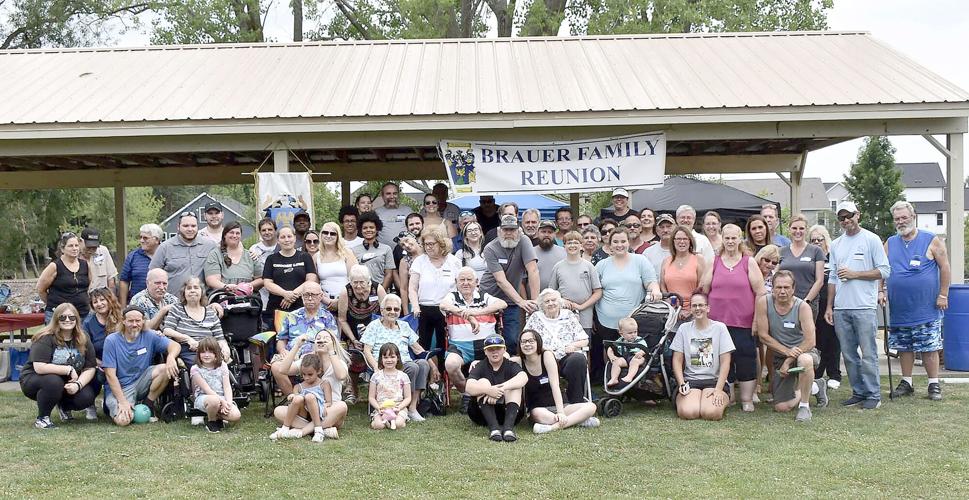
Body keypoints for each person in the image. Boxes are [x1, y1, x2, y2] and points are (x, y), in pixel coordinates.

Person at [824, 201, 890, 410]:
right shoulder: (835, 244)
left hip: (864, 307)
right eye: (841, 218)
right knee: (849, 354)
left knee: (869, 353)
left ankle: (873, 394)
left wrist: (856, 274)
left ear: (858, 215)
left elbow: (884, 271)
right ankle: (858, 392)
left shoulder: (871, 240)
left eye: (849, 216)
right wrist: (829, 307)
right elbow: (832, 277)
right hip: (841, 308)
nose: (846, 221)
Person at [885, 200, 950, 401]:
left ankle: (933, 384)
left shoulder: (931, 239)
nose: (901, 221)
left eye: (904, 217)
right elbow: (882, 269)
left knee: (929, 347)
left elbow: (945, 267)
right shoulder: (890, 242)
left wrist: (943, 294)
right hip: (900, 308)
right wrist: (880, 290)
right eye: (897, 218)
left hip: (927, 306)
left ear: (913, 217)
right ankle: (907, 382)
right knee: (904, 346)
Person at [703, 223, 765, 412]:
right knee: (719, 359)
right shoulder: (713, 261)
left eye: (734, 238)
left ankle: (746, 398)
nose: (730, 241)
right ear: (722, 238)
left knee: (745, 357)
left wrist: (756, 319)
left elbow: (760, 292)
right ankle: (726, 395)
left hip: (743, 322)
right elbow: (705, 288)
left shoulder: (749, 261)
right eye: (727, 238)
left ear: (740, 239)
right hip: (716, 322)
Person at [755, 270, 827, 422]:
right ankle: (814, 386)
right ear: (772, 288)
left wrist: (788, 360)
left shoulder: (802, 307)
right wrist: (787, 353)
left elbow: (810, 341)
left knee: (805, 360)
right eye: (778, 287)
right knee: (781, 407)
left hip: (805, 351)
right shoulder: (764, 303)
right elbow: (763, 336)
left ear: (793, 289)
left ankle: (804, 407)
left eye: (786, 287)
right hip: (780, 355)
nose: (782, 291)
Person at [593, 227, 661, 379]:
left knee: (634, 353)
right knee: (611, 351)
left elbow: (651, 281)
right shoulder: (602, 265)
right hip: (606, 319)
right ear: (609, 244)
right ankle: (611, 380)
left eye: (623, 241)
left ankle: (635, 383)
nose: (619, 245)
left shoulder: (640, 260)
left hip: (633, 319)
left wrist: (655, 290)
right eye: (615, 242)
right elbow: (594, 290)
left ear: (628, 242)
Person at [19, 303, 98, 429]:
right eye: (62, 317)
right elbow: (39, 366)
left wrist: (78, 385)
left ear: (77, 319)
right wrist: (68, 369)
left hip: (67, 380)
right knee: (54, 382)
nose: (67, 320)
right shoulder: (45, 337)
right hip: (36, 378)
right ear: (56, 319)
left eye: (71, 317)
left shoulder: (83, 337)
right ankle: (43, 418)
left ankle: (64, 406)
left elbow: (90, 367)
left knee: (86, 397)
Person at [440, 267, 507, 413]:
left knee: (506, 358)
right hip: (460, 346)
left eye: (469, 280)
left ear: (476, 282)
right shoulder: (452, 297)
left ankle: (498, 395)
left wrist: (476, 312)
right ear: (456, 282)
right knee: (450, 364)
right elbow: (443, 305)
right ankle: (468, 394)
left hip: (487, 345)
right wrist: (468, 316)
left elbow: (502, 304)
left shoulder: (483, 296)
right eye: (462, 280)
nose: (465, 283)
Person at [102, 305, 180, 426]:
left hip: (141, 382)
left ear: (143, 321)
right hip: (121, 388)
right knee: (123, 421)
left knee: (165, 368)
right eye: (130, 321)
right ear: (123, 321)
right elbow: (110, 375)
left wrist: (171, 357)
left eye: (138, 321)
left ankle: (148, 404)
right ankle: (125, 407)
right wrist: (122, 401)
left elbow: (175, 346)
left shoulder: (149, 335)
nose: (134, 324)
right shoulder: (111, 340)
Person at [360, 294, 432, 422]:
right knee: (414, 366)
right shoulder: (374, 326)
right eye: (388, 309)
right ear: (381, 311)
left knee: (423, 364)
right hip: (385, 365)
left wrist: (433, 365)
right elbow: (367, 350)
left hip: (404, 363)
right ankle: (406, 407)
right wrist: (376, 368)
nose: (392, 312)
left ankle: (412, 407)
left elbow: (417, 348)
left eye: (396, 309)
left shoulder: (404, 325)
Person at [479, 214, 540, 355]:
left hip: (511, 300)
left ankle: (511, 368)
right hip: (489, 297)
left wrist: (535, 301)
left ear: (518, 231)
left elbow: (533, 270)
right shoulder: (490, 248)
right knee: (490, 339)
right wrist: (521, 301)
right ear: (499, 230)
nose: (508, 233)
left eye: (512, 230)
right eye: (505, 229)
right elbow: (500, 280)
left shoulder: (524, 241)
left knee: (512, 339)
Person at [270, 330, 349, 437]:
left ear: (333, 343)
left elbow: (341, 376)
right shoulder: (308, 360)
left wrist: (331, 350)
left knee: (342, 406)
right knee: (278, 411)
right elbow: (283, 370)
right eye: (319, 338)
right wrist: (297, 346)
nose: (322, 340)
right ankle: (322, 430)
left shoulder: (338, 362)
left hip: (329, 410)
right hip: (305, 412)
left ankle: (302, 432)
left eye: (326, 338)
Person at [519, 329, 599, 434]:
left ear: (538, 342)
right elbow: (504, 359)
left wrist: (561, 412)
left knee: (591, 406)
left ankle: (552, 427)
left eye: (531, 341)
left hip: (562, 406)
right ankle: (577, 421)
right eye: (523, 342)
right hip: (539, 409)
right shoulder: (519, 362)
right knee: (538, 414)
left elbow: (555, 385)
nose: (527, 344)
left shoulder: (546, 355)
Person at [670, 292, 734, 421]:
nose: (698, 308)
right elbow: (677, 360)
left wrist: (718, 389)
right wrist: (681, 383)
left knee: (711, 413)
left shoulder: (720, 328)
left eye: (701, 305)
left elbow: (726, 362)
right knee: (688, 412)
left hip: (714, 381)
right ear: (691, 309)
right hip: (691, 381)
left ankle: (710, 399)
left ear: (708, 308)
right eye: (694, 306)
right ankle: (695, 399)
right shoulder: (684, 329)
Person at [270, 282, 338, 396]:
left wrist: (317, 352)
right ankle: (294, 399)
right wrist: (282, 351)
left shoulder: (327, 317)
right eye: (306, 295)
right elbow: (281, 339)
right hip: (293, 355)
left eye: (314, 295)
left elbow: (333, 341)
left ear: (321, 296)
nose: (310, 298)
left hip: (317, 357)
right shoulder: (292, 316)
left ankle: (316, 398)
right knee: (276, 367)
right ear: (302, 297)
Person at [522, 289, 589, 404]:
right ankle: (542, 404)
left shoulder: (568, 315)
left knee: (578, 360)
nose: (551, 303)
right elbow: (525, 339)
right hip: (543, 360)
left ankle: (576, 402)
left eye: (554, 300)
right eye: (547, 301)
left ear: (559, 302)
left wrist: (573, 345)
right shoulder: (536, 317)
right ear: (542, 305)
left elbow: (585, 340)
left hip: (565, 358)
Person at [410, 226, 461, 360]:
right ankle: (426, 376)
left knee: (444, 344)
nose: (428, 247)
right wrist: (415, 306)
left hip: (446, 309)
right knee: (423, 345)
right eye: (425, 244)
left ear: (441, 243)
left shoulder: (453, 261)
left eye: (432, 244)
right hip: (423, 309)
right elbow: (412, 288)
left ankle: (444, 375)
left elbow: (460, 286)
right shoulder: (419, 261)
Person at [465, 333, 528, 442]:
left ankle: (508, 429)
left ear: (504, 350)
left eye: (498, 348)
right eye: (490, 349)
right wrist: (488, 390)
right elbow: (468, 387)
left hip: (508, 413)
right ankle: (494, 429)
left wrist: (500, 389)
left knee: (514, 387)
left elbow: (523, 377)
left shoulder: (511, 365)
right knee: (483, 382)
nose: (495, 352)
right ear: (485, 351)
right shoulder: (480, 366)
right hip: (481, 415)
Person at [337, 264, 385, 403]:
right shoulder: (345, 292)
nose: (358, 286)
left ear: (368, 281)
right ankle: (353, 391)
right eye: (354, 282)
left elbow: (386, 314)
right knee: (352, 357)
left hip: (376, 331)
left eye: (361, 282)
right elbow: (342, 319)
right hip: (352, 332)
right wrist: (353, 339)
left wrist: (370, 333)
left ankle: (380, 391)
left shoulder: (378, 289)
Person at [162, 277, 228, 367]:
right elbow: (167, 330)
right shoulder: (177, 309)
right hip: (188, 350)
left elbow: (220, 338)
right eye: (189, 288)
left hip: (210, 350)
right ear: (184, 292)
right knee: (203, 366)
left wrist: (225, 347)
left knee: (224, 366)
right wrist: (187, 338)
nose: (192, 291)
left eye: (196, 287)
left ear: (202, 292)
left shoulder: (210, 312)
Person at [269, 353, 334, 442]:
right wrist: (292, 397)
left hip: (318, 414)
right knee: (295, 400)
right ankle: (285, 428)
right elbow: (295, 402)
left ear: (319, 371)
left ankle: (318, 430)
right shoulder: (298, 387)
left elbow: (329, 402)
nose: (306, 377)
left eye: (310, 374)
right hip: (303, 415)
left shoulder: (324, 384)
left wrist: (325, 407)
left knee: (310, 397)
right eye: (303, 374)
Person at [262, 226, 318, 329]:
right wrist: (284, 293)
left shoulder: (305, 257)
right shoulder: (271, 259)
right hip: (276, 309)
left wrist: (292, 295)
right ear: (278, 240)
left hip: (301, 307)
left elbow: (311, 279)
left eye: (289, 236)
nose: (287, 240)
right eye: (283, 237)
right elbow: (267, 283)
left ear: (295, 238)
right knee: (277, 341)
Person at [548, 231, 602, 335]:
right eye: (569, 243)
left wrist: (581, 306)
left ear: (581, 246)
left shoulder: (589, 266)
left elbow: (598, 292)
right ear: (564, 246)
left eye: (576, 243)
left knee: (585, 345)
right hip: (563, 314)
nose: (572, 245)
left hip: (585, 315)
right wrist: (562, 300)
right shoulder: (558, 267)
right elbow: (551, 292)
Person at [150, 212, 217, 295]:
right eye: (185, 226)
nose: (190, 229)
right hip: (174, 302)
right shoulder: (165, 247)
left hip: (202, 302)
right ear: (178, 227)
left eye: (193, 226)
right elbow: (152, 275)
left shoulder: (210, 246)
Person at [808, 225, 841, 390]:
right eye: (812, 240)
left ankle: (834, 373)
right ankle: (818, 372)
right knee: (819, 339)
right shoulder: (811, 257)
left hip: (832, 302)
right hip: (815, 303)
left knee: (833, 339)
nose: (816, 243)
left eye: (819, 239)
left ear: (825, 240)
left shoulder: (832, 256)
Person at [82, 287, 122, 418]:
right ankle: (90, 404)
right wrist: (102, 364)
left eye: (102, 300)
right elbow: (85, 350)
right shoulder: (88, 323)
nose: (99, 304)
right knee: (94, 374)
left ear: (109, 300)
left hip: (121, 363)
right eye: (95, 302)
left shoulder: (121, 318)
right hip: (99, 364)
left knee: (107, 410)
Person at [190, 337, 241, 433]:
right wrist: (222, 402)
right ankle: (212, 421)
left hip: (221, 397)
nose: (206, 355)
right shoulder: (195, 369)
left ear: (216, 353)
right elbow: (206, 389)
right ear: (198, 354)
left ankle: (217, 417)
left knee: (236, 415)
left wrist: (228, 403)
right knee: (214, 401)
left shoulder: (222, 366)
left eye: (210, 352)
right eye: (203, 352)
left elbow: (227, 386)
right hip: (204, 398)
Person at [38, 232, 91, 323]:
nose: (74, 249)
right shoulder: (54, 266)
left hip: (82, 314)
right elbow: (40, 290)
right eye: (70, 246)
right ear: (62, 249)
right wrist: (55, 304)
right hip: (59, 316)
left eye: (76, 245)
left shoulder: (85, 265)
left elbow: (89, 285)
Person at [778, 215, 825, 313]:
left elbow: (819, 281)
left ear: (806, 230)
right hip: (784, 303)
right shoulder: (781, 251)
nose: (798, 231)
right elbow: (775, 276)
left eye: (801, 228)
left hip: (808, 303)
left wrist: (806, 301)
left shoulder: (816, 251)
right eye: (794, 228)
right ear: (789, 229)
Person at [204, 221, 264, 296]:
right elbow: (211, 280)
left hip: (247, 300)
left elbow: (261, 279)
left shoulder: (250, 255)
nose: (235, 235)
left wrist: (246, 286)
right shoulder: (215, 254)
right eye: (231, 232)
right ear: (225, 235)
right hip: (223, 298)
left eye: (237, 233)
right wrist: (226, 287)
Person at [660, 226, 706, 322]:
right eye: (678, 239)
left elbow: (702, 287)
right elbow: (662, 286)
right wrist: (670, 303)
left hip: (694, 312)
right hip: (671, 313)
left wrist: (691, 309)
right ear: (673, 241)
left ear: (690, 241)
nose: (682, 242)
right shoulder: (666, 261)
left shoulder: (698, 259)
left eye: (685, 239)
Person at [315, 221, 358, 311]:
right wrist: (328, 301)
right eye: (325, 232)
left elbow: (355, 279)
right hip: (324, 303)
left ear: (338, 236)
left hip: (347, 300)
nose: (328, 236)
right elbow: (314, 284)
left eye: (333, 234)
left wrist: (340, 301)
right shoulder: (316, 257)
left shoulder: (347, 253)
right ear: (321, 235)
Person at [368, 343, 411, 431]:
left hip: (399, 407)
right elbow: (371, 397)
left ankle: (396, 421)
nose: (389, 360)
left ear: (397, 358)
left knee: (398, 424)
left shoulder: (403, 376)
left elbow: (408, 397)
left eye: (392, 357)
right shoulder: (376, 376)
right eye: (386, 357)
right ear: (381, 359)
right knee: (379, 426)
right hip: (381, 408)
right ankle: (381, 421)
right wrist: (378, 408)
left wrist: (399, 408)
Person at [120, 223, 163, 307]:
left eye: (145, 238)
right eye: (140, 237)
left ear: (157, 240)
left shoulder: (166, 255)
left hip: (162, 305)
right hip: (137, 306)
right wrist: (123, 307)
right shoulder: (132, 256)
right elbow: (124, 281)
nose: (141, 240)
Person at [352, 211, 395, 290]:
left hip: (381, 291)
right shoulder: (354, 250)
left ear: (377, 229)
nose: (368, 230)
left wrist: (380, 292)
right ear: (361, 230)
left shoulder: (387, 249)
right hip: (360, 292)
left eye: (371, 227)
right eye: (365, 228)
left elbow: (389, 274)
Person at [606, 317, 649, 386]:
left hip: (637, 357)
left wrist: (641, 352)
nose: (633, 335)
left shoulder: (639, 340)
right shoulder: (620, 340)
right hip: (625, 358)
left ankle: (629, 377)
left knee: (635, 361)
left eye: (635, 332)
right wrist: (612, 356)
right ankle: (614, 378)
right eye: (630, 333)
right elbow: (610, 348)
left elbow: (645, 349)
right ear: (621, 334)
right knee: (616, 362)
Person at [249, 218, 278, 314]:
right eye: (263, 230)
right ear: (260, 232)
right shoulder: (254, 249)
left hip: (278, 291)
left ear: (275, 230)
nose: (267, 232)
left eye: (270, 229)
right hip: (261, 293)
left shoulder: (281, 246)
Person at [80, 227, 117, 292]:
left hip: (101, 298)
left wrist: (110, 298)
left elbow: (111, 279)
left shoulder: (103, 251)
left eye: (94, 248)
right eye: (88, 247)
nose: (91, 250)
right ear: (81, 241)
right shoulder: (74, 255)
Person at [394, 230, 423, 313]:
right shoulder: (404, 262)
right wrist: (406, 311)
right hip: (415, 302)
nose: (406, 245)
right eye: (402, 245)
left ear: (414, 238)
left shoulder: (428, 253)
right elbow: (403, 288)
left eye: (407, 240)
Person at [534, 220, 566, 292]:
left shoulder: (564, 252)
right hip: (535, 300)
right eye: (543, 232)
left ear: (554, 234)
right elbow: (522, 281)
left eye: (550, 232)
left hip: (558, 300)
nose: (546, 235)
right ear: (537, 233)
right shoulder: (530, 253)